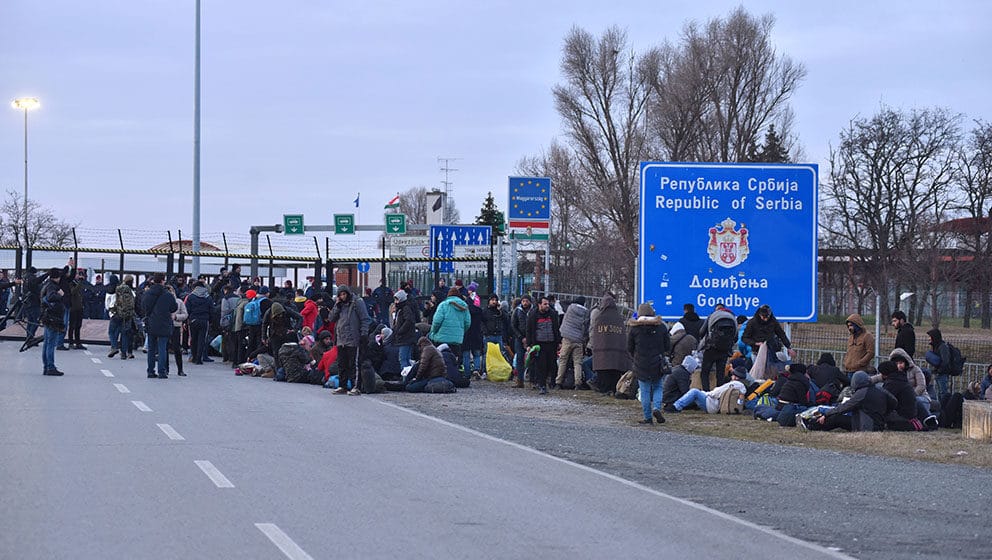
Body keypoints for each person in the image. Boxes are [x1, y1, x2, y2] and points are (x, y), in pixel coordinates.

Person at [801, 371, 897, 432]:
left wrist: (827, 414)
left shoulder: (861, 393)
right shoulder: (879, 389)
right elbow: (894, 401)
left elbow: (844, 407)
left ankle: (812, 425)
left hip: (866, 426)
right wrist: (885, 413)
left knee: (837, 418)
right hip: (879, 424)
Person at [627, 302, 670, 424]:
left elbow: (629, 347)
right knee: (658, 387)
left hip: (641, 362)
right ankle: (656, 408)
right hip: (657, 362)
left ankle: (648, 417)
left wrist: (635, 356)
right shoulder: (661, 327)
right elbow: (667, 345)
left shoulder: (634, 328)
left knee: (644, 390)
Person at [328, 287, 371, 395]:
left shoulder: (357, 303)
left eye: (344, 294)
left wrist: (364, 334)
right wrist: (336, 306)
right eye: (340, 295)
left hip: (353, 338)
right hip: (341, 339)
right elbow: (331, 318)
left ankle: (356, 386)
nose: (343, 297)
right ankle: (342, 385)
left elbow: (365, 319)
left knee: (354, 364)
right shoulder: (339, 305)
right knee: (342, 364)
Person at [588, 292, 630, 396]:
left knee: (603, 372)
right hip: (616, 352)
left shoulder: (600, 317)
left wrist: (593, 345)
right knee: (614, 371)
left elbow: (595, 333)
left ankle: (604, 390)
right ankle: (613, 389)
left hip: (602, 352)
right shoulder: (618, 318)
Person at [142, 273, 178, 379]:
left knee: (151, 349)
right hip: (164, 323)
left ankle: (150, 371)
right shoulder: (167, 294)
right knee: (162, 348)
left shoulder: (148, 293)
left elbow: (143, 306)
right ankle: (162, 372)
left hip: (151, 323)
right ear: (163, 281)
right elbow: (174, 308)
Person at [667, 368, 747, 413]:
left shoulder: (734, 384)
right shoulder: (742, 388)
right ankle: (677, 406)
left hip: (712, 404)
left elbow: (716, 393)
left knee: (694, 392)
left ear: (736, 377)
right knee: (694, 393)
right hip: (716, 405)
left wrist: (706, 393)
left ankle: (675, 407)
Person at [696, 303, 737, 391]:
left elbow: (701, 332)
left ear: (716, 310)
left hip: (711, 348)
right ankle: (719, 394)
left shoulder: (712, 316)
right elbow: (735, 337)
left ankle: (706, 393)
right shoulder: (732, 317)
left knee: (705, 372)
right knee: (720, 374)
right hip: (725, 350)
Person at [525, 296, 561, 394]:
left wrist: (558, 342)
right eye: (545, 304)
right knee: (541, 366)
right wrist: (529, 344)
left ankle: (550, 382)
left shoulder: (552, 314)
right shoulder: (533, 315)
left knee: (551, 364)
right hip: (539, 344)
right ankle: (542, 385)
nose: (547, 306)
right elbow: (529, 330)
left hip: (551, 343)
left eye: (548, 304)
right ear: (539, 305)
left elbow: (556, 328)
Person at [556, 295, 590, 389]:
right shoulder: (586, 312)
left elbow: (561, 302)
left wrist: (572, 300)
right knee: (578, 362)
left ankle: (558, 382)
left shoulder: (570, 308)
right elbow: (586, 327)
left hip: (567, 338)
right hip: (578, 340)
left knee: (563, 360)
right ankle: (578, 384)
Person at [429, 287, 471, 360]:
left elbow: (437, 321)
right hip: (456, 340)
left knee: (440, 362)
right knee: (453, 361)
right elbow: (467, 323)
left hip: (441, 339)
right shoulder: (464, 307)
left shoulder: (443, 305)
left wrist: (433, 332)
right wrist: (460, 331)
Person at [40, 268, 66, 376]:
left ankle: (46, 366)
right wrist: (60, 295)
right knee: (50, 343)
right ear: (57, 277)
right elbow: (50, 297)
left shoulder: (46, 284)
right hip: (53, 318)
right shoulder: (52, 286)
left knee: (47, 343)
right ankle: (50, 367)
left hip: (48, 317)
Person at [509, 295, 533, 387]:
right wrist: (520, 337)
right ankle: (520, 380)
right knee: (519, 359)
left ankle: (532, 380)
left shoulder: (533, 311)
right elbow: (513, 325)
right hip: (519, 338)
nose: (525, 303)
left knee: (532, 359)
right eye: (523, 301)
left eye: (527, 301)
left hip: (531, 339)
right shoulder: (517, 311)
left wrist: (529, 338)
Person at [391, 289, 419, 369]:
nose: (395, 302)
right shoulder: (404, 308)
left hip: (405, 338)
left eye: (397, 299)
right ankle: (408, 377)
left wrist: (399, 331)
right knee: (407, 359)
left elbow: (409, 321)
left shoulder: (404, 309)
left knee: (403, 359)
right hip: (408, 337)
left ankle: (405, 377)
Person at [111, 275, 137, 359]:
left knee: (112, 331)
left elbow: (116, 300)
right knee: (125, 334)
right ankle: (124, 353)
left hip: (118, 313)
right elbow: (134, 303)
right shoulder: (131, 291)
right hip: (128, 315)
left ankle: (114, 347)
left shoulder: (118, 288)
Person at [166, 285, 188, 376]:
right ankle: (165, 368)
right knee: (165, 349)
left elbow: (185, 314)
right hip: (166, 327)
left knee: (177, 348)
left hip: (176, 326)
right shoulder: (163, 302)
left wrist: (176, 317)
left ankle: (180, 369)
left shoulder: (179, 302)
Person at [926, 328, 953, 401]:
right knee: (939, 392)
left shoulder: (942, 346)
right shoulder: (936, 346)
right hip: (938, 372)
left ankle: (944, 408)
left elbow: (945, 361)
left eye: (930, 337)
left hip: (942, 373)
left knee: (943, 393)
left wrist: (940, 370)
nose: (929, 339)